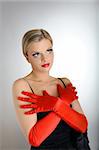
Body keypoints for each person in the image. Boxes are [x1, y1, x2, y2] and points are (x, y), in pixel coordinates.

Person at [12, 29, 90, 150]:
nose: (44, 59)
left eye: (48, 51)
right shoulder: (22, 85)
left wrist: (57, 105)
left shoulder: (64, 82)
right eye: (36, 54)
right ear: (27, 57)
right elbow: (35, 139)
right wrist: (60, 104)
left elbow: (83, 126)